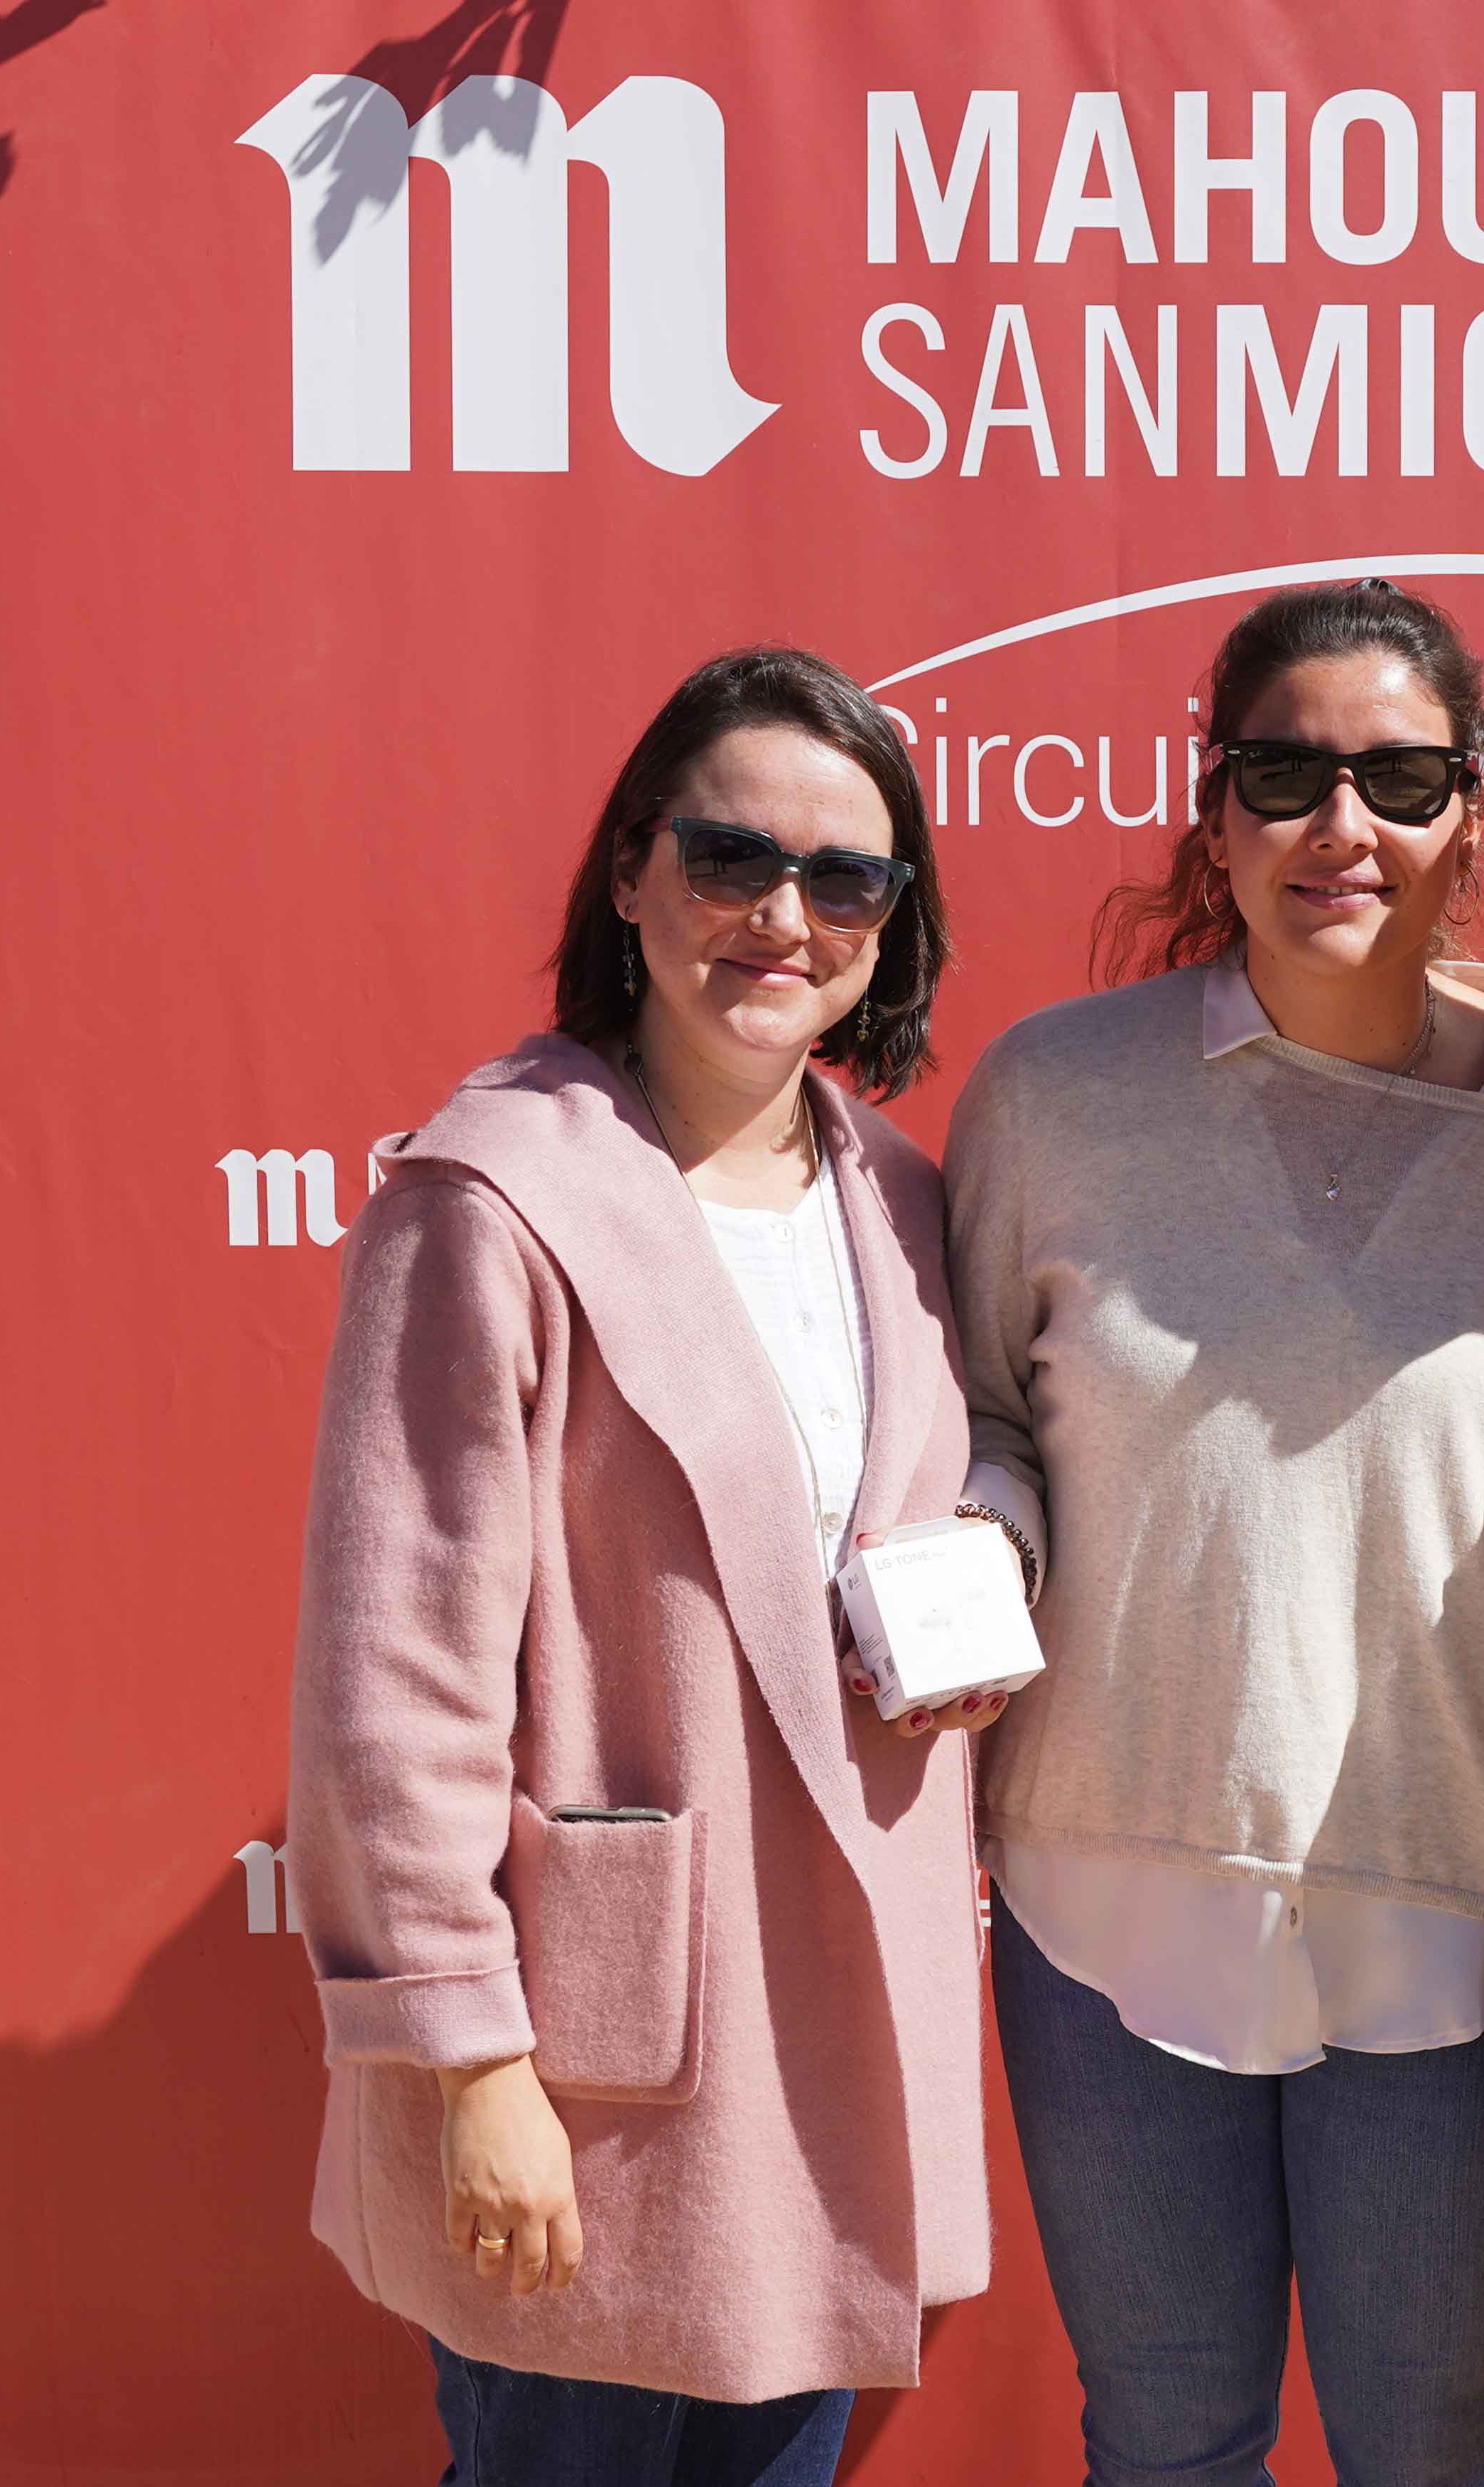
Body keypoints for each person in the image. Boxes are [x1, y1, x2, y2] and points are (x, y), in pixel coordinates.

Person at [947, 579, 1484, 2487]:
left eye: (1401, 778)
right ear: (1217, 807)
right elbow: (985, 1417)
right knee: (1166, 2446)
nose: (1342, 825)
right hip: (1107, 1892)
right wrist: (993, 1539)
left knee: (1429, 2446)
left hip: (1460, 1897)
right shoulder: (1054, 1095)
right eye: (1286, 774)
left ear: (1472, 811)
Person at [284, 646, 1005, 2487]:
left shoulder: (903, 1198)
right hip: (593, 2062)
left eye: (845, 878)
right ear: (630, 873)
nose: (785, 916)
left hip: (829, 2050)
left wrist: (990, 1569)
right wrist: (468, 2061)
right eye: (731, 856)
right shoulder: (493, 1197)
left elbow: (972, 1472)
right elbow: (396, 1678)